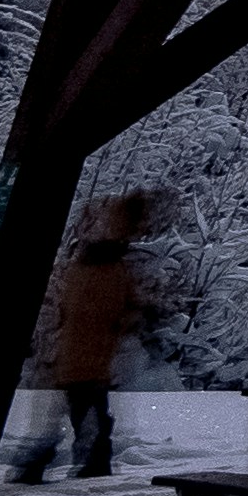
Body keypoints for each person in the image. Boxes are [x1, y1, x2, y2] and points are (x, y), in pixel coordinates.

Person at [9, 187, 168, 481]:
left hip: (71, 352)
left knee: (72, 409)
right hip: (91, 358)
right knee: (88, 411)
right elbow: (117, 313)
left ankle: (43, 460)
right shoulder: (111, 270)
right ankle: (86, 462)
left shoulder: (84, 265)